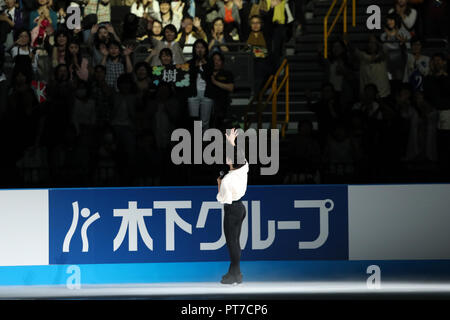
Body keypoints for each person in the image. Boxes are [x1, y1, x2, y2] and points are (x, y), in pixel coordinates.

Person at [216, 127, 248, 285]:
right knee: (235, 241)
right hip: (241, 208)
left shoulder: (227, 180)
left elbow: (222, 198)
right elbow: (239, 156)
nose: (227, 158)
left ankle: (237, 274)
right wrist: (231, 142)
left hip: (232, 209)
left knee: (232, 242)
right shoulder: (243, 168)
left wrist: (219, 183)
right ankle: (233, 273)